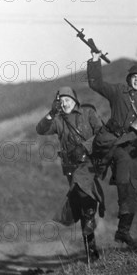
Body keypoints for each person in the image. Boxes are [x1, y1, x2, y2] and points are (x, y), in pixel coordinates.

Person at [87, 56, 137, 248]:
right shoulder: (118, 92)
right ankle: (120, 228)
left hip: (135, 146)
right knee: (125, 179)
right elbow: (95, 83)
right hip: (115, 144)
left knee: (135, 186)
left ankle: (123, 231)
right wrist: (95, 61)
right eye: (133, 77)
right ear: (129, 80)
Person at [36, 86, 104, 261]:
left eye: (67, 99)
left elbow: (101, 133)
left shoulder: (88, 113)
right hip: (70, 167)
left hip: (89, 163)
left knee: (84, 195)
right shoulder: (58, 120)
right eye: (61, 101)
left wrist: (85, 146)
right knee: (83, 205)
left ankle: (90, 216)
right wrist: (51, 112)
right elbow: (41, 129)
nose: (64, 103)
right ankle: (91, 251)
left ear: (74, 100)